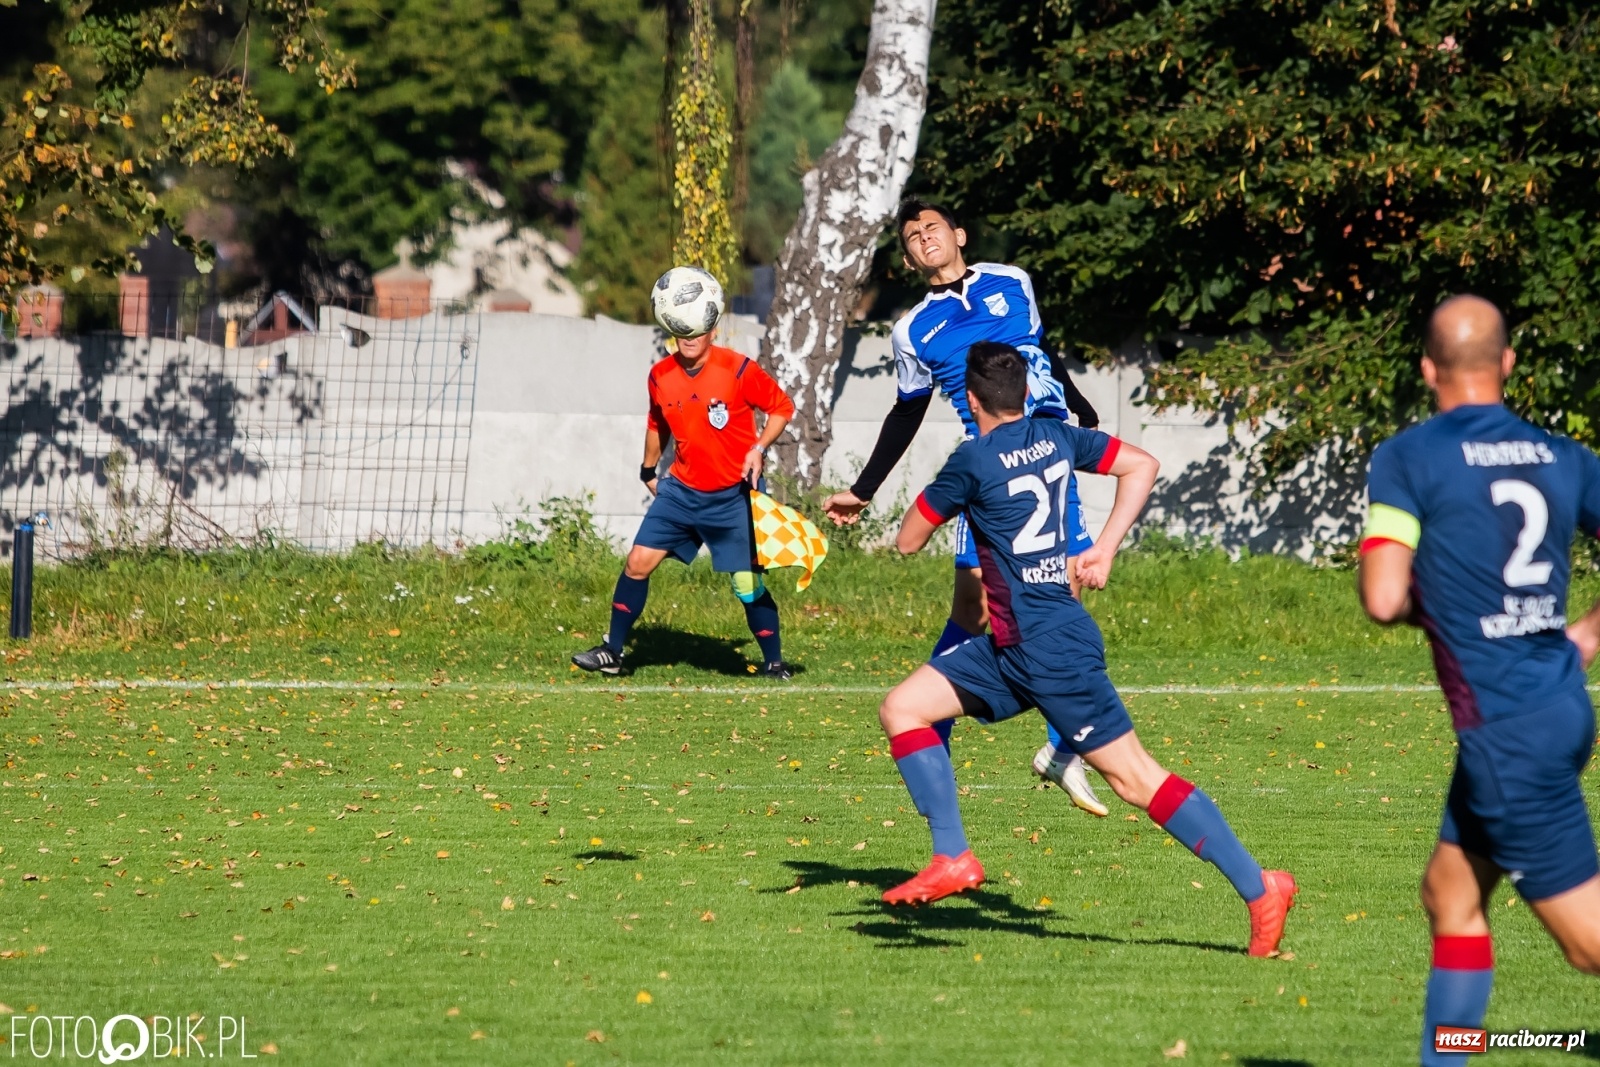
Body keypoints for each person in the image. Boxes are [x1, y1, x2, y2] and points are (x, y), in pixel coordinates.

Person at [876, 341, 1297, 959]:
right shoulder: (1057, 435)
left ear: (969, 400)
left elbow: (909, 540)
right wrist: (1104, 546)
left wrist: (949, 501)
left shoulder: (971, 459)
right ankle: (952, 857)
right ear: (1023, 395)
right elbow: (1143, 464)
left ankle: (1261, 889)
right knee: (904, 707)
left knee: (1135, 779)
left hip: (1052, 649)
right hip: (1012, 645)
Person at [1358, 294, 1600, 1065]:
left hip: (1505, 733)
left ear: (1427, 369)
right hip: (1558, 702)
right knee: (1450, 896)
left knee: (1590, 948)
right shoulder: (1564, 456)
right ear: (1507, 365)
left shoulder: (1409, 456)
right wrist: (1589, 632)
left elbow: (1383, 595)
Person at [823, 199, 1108, 814]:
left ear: (958, 234)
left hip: (1049, 455)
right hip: (991, 471)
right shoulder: (912, 331)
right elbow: (907, 411)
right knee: (973, 605)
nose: (923, 238)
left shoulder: (1012, 281)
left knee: (1064, 593)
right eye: (911, 237)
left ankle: (1062, 748)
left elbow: (1040, 351)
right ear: (908, 258)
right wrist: (866, 488)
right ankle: (931, 731)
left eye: (932, 228)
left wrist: (1080, 408)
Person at [572, 311, 796, 678]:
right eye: (680, 329)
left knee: (745, 584)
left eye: (696, 328)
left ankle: (773, 662)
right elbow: (657, 423)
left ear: (711, 329)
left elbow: (781, 408)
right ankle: (613, 652)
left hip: (734, 495)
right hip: (681, 491)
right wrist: (648, 469)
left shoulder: (739, 369)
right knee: (637, 562)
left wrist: (759, 448)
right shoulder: (660, 375)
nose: (688, 336)